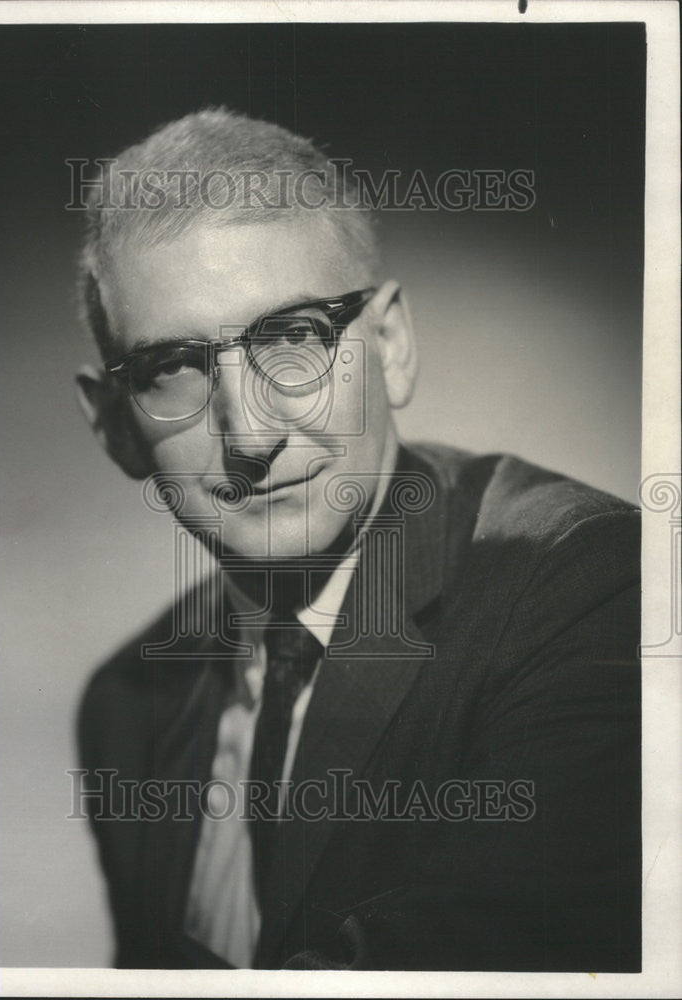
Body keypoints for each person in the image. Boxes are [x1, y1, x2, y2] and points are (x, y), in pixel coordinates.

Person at [74, 109, 641, 971]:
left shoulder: (585, 586)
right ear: (116, 426)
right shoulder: (126, 708)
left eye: (295, 336)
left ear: (392, 345)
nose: (251, 434)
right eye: (173, 368)